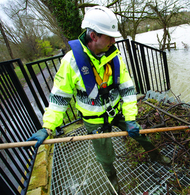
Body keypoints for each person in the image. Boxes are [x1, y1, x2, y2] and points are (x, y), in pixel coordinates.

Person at [26, 6, 170, 194]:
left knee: (141, 134)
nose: (114, 40)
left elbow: (127, 90)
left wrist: (131, 119)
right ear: (93, 36)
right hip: (94, 122)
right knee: (106, 158)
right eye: (109, 36)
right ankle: (114, 182)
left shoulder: (115, 57)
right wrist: (48, 127)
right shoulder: (70, 63)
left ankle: (155, 156)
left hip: (117, 113)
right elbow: (59, 99)